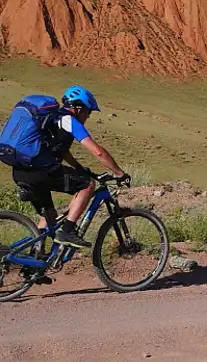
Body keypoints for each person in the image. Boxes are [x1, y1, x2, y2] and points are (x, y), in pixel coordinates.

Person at [11, 85, 129, 249]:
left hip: (21, 171)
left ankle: (34, 264)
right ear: (78, 108)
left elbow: (63, 152)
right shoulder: (68, 120)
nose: (88, 116)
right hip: (40, 172)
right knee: (87, 184)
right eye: (88, 111)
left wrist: (79, 168)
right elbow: (98, 152)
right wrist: (120, 173)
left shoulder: (52, 120)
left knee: (49, 216)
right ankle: (67, 231)